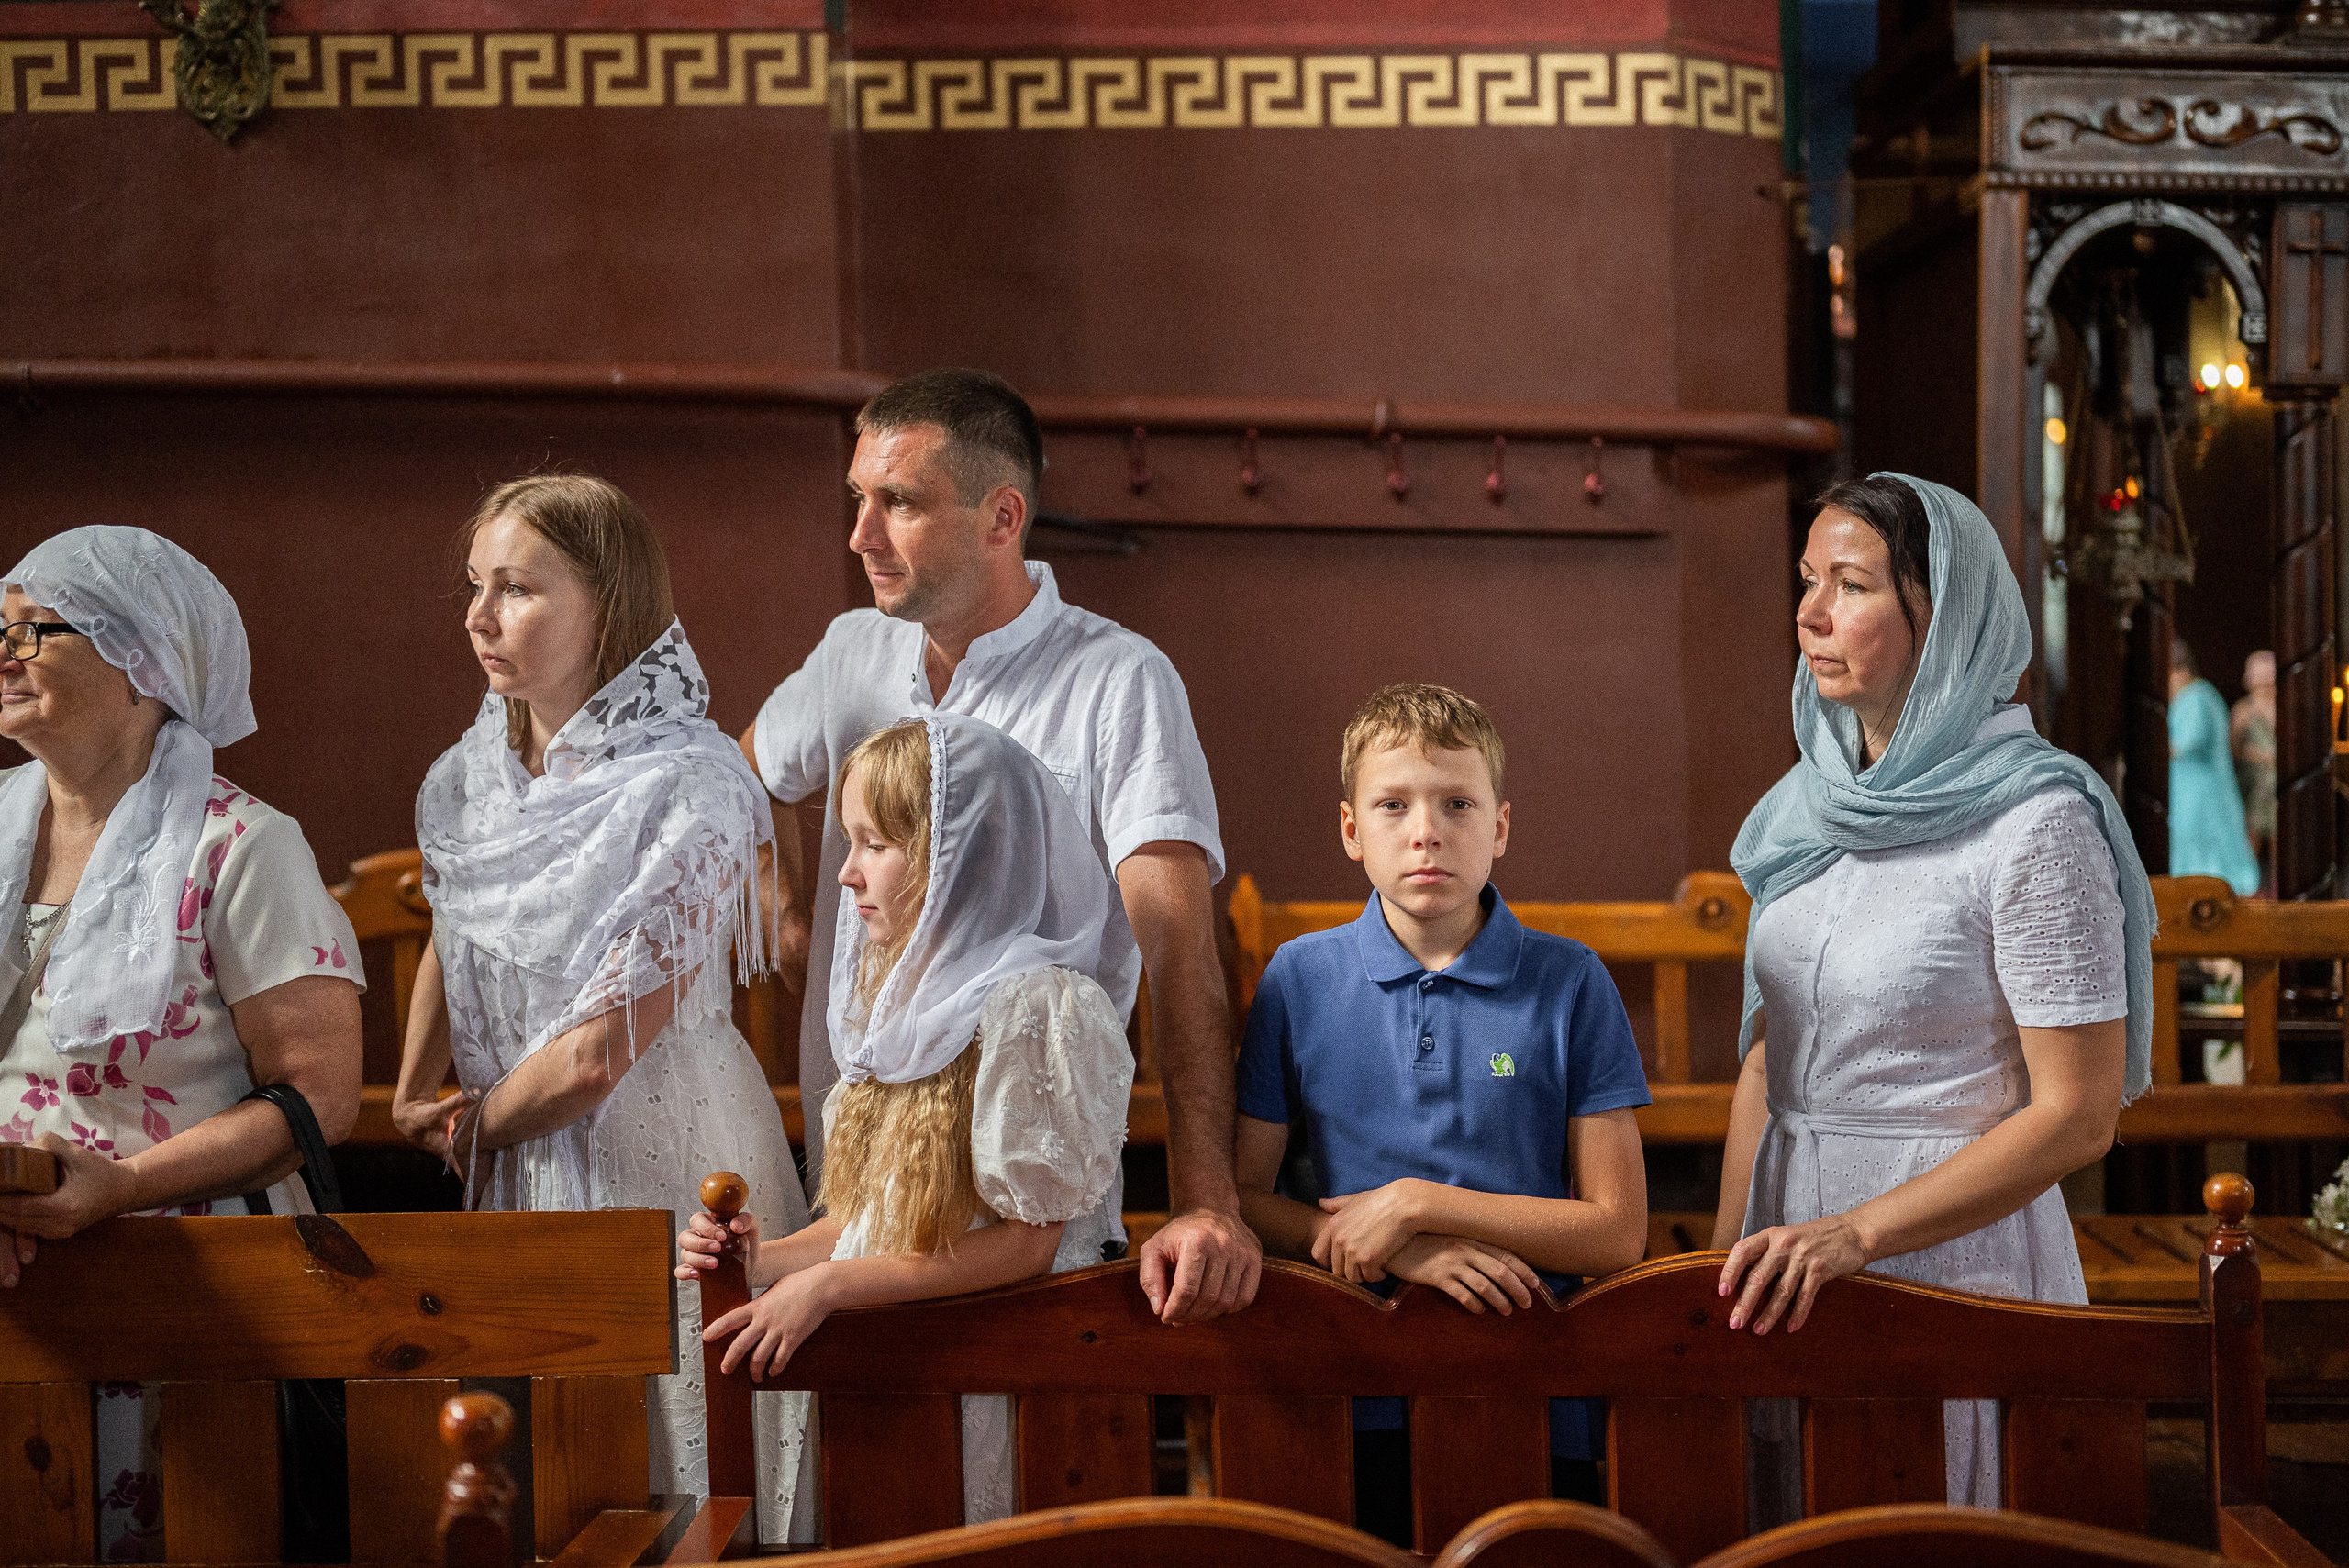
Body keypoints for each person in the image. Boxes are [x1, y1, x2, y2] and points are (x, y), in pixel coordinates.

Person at [745, 367, 1256, 1325]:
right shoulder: (852, 651)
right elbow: (742, 777)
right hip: (852, 1179)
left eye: (897, 502)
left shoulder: (1116, 679)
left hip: (1019, 1212)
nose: (861, 533)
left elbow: (1180, 954)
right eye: (859, 498)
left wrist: (1203, 1201)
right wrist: (784, 914)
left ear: (1000, 515)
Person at [1715, 473, 2153, 1513]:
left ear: (1942, 617)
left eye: (1852, 585)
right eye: (1808, 580)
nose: (1810, 614)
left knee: (1932, 1517)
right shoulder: (1808, 805)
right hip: (1786, 1240)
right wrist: (1719, 1259)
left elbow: (2077, 1112)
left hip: (1949, 1257)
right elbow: (1771, 1058)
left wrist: (1861, 1231)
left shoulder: (2035, 824)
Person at [392, 475, 807, 1537]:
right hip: (513, 1153)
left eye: (519, 588)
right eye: (475, 587)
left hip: (658, 1149)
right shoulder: (463, 775)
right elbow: (457, 913)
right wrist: (410, 1092)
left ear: (608, 604)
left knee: (683, 1474)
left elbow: (597, 1055)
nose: (482, 616)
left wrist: (474, 1123)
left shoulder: (692, 781)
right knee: (533, 1485)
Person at [0, 526, 365, 1561]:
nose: (3, 652)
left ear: (143, 659)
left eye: (34, 632)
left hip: (186, 1298)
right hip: (18, 1289)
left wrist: (118, 1185)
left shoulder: (241, 844)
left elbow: (317, 1100)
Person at [678, 714, 1135, 1524]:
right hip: (900, 1360)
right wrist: (766, 1258)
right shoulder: (896, 1015)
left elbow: (1028, 1245)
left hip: (998, 1372)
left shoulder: (1039, 1006)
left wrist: (829, 1287)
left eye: (875, 843)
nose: (847, 874)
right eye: (847, 841)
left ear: (957, 856)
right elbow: (874, 1223)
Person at [1231, 684, 1650, 1547]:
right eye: (1394, 805)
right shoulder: (1298, 978)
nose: (1426, 830)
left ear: (1499, 827)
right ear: (1352, 830)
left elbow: (1617, 1232)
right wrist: (1406, 1249)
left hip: (1536, 1377)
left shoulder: (1570, 980)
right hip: (1352, 1379)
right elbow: (1243, 1197)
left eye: (1458, 803)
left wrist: (1421, 1201)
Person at [2164, 639, 2261, 897]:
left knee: (2204, 841)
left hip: (2200, 791)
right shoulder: (2197, 695)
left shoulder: (2197, 696)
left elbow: (2188, 742)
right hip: (2191, 787)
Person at [2230, 651, 2277, 891]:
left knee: (2281, 834)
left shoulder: (2282, 705)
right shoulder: (2244, 710)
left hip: (2277, 783)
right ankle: (2249, 886)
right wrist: (2261, 755)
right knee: (2252, 834)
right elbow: (2234, 748)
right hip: (2254, 782)